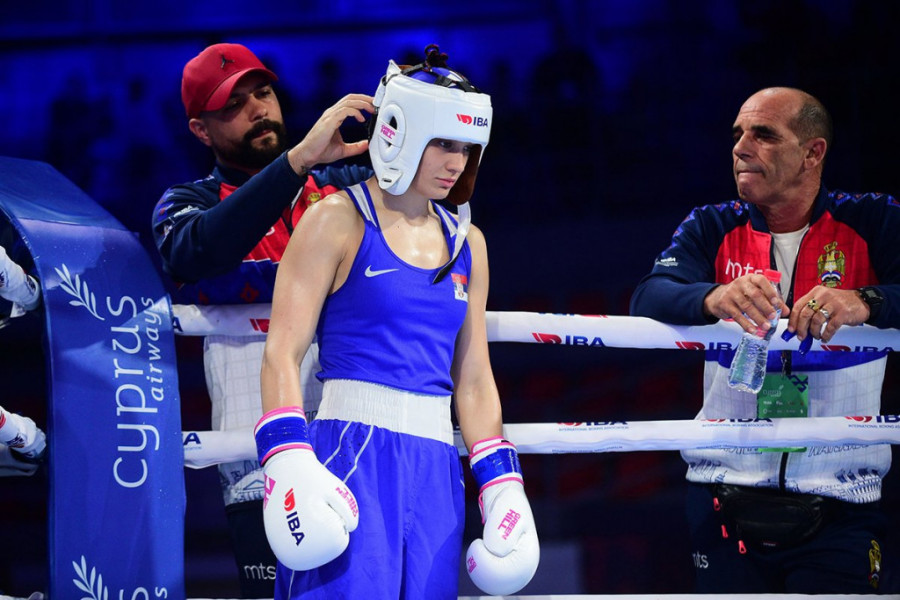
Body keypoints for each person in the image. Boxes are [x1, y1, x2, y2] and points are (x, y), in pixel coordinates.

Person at [254, 45, 540, 599]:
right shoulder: (335, 219)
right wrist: (286, 460)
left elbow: (474, 377)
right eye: (444, 144)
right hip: (351, 453)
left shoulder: (469, 244)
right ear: (398, 133)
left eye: (466, 148)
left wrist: (502, 485)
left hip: (437, 467)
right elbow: (281, 351)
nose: (456, 163)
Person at [630, 87, 899, 593]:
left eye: (764, 135)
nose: (740, 147)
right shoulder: (712, 225)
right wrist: (713, 297)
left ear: (812, 153)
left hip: (843, 495)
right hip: (722, 491)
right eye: (738, 134)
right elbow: (649, 295)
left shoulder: (875, 220)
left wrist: (866, 300)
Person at [151, 42, 372, 597]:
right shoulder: (186, 204)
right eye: (234, 104)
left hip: (359, 415)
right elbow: (197, 253)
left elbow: (444, 198)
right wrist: (296, 163)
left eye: (263, 92)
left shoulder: (348, 185)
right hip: (258, 436)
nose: (258, 109)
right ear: (201, 130)